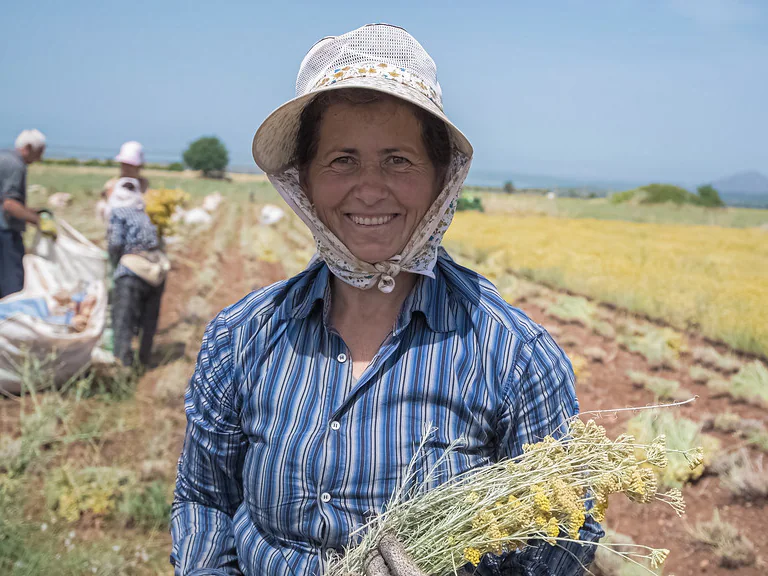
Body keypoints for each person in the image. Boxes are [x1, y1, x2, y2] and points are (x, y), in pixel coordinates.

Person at [171, 24, 603, 576]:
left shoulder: (515, 357)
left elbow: (565, 535)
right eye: (341, 160)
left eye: (398, 159)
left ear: (441, 177)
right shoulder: (243, 337)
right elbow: (205, 500)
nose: (370, 188)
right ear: (303, 178)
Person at [106, 142, 164, 367]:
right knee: (148, 320)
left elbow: (115, 242)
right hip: (156, 267)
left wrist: (115, 261)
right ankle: (145, 360)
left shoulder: (118, 211)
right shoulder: (142, 211)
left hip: (131, 269)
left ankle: (122, 364)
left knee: (123, 320)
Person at [0, 129, 57, 298]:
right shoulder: (16, 165)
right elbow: (9, 205)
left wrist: (32, 212)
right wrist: (38, 221)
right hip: (5, 233)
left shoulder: (4, 157)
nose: (40, 158)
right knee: (12, 285)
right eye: (39, 152)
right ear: (28, 147)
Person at [97, 141, 150, 223]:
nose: (126, 168)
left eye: (130, 165)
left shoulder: (143, 184)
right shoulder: (112, 184)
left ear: (139, 166)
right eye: (124, 164)